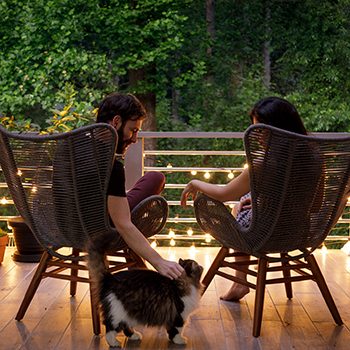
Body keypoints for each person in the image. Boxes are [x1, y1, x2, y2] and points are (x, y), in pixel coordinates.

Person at [181, 96, 309, 300]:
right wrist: (262, 202)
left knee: (237, 211)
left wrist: (196, 183)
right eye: (254, 129)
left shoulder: (264, 163)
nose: (257, 135)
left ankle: (240, 282)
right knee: (247, 202)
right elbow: (317, 203)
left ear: (278, 127)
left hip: (267, 234)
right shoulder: (315, 156)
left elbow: (224, 194)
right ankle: (239, 283)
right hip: (301, 231)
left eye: (261, 129)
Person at [96, 92, 184, 279]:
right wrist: (159, 261)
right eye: (133, 130)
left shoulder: (67, 150)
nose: (135, 139)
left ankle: (123, 195)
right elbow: (123, 224)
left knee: (143, 183)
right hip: (104, 227)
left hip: (68, 225)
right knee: (155, 177)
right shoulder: (112, 167)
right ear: (116, 122)